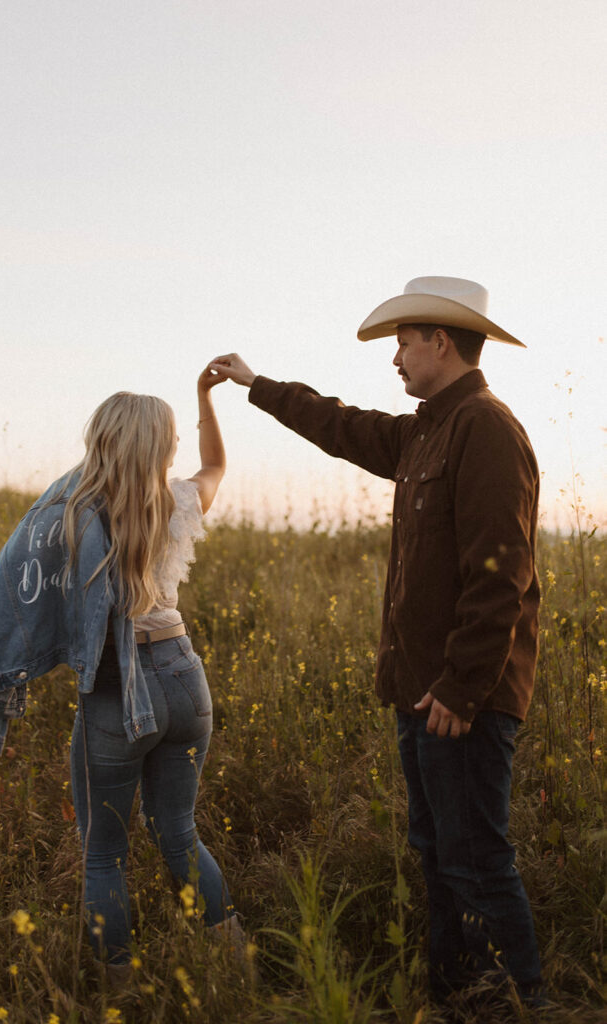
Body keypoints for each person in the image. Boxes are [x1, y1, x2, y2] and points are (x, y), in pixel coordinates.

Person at [210, 276, 546, 1008]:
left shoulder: (484, 427)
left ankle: (515, 1004)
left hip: (461, 697)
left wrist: (462, 686)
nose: (393, 357)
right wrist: (255, 384)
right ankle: (459, 997)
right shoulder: (425, 428)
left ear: (439, 340)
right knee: (436, 855)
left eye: (402, 341)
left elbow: (501, 572)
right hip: (421, 692)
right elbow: (342, 426)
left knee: (474, 861)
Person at [0, 365, 242, 985]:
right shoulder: (178, 501)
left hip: (118, 690)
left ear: (102, 442)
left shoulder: (71, 517)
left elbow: (26, 588)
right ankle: (237, 967)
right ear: (163, 446)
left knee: (103, 855)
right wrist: (204, 399)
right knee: (179, 835)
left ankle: (117, 993)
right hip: (183, 674)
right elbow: (217, 467)